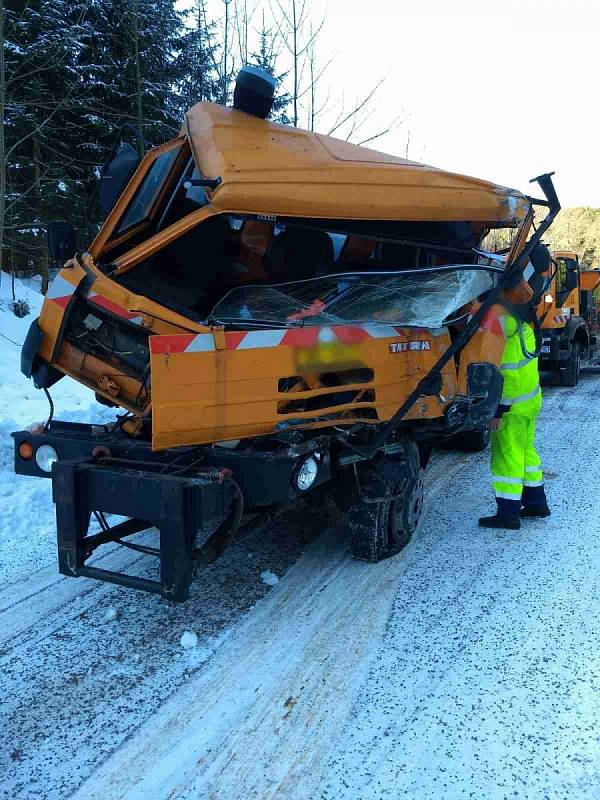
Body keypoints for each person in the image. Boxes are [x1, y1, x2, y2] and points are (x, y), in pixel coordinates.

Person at [479, 311, 550, 530]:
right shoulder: (523, 327)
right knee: (525, 451)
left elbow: (509, 377)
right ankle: (537, 503)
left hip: (513, 408)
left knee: (507, 456)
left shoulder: (505, 335)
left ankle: (508, 514)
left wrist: (499, 411)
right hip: (530, 402)